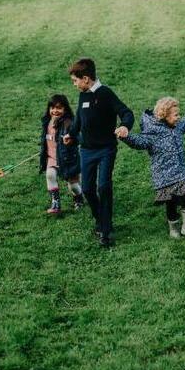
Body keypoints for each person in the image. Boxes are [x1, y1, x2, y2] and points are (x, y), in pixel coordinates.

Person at [64, 58, 134, 247]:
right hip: (86, 151)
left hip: (105, 149)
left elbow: (126, 113)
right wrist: (70, 134)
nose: (74, 84)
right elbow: (79, 119)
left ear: (86, 78)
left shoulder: (105, 94)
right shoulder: (83, 95)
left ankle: (105, 229)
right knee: (87, 188)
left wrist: (125, 126)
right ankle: (100, 220)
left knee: (103, 186)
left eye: (75, 81)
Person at [121, 96, 185, 239]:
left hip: (180, 173)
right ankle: (173, 228)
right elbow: (139, 142)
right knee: (170, 203)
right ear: (164, 115)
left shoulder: (177, 127)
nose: (178, 117)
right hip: (164, 176)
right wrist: (126, 136)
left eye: (179, 114)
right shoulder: (152, 133)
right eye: (175, 115)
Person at [39, 94, 84, 215]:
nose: (55, 111)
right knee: (50, 175)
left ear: (65, 109)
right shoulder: (47, 122)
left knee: (73, 186)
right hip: (52, 158)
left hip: (68, 159)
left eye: (59, 108)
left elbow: (80, 138)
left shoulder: (69, 123)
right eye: (52, 108)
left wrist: (72, 139)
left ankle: (79, 197)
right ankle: (56, 203)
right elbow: (45, 139)